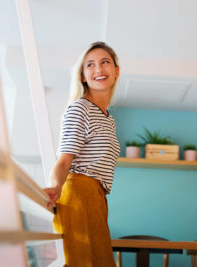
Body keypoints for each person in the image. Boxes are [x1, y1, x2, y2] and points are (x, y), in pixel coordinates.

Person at [44, 41, 120, 267]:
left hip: (96, 197)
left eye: (105, 62)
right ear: (83, 76)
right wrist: (55, 188)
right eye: (90, 65)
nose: (99, 69)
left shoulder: (108, 117)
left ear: (116, 71)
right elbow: (64, 160)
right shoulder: (80, 108)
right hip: (79, 193)